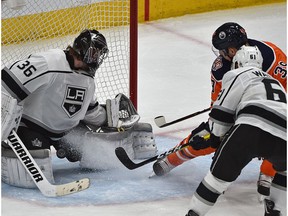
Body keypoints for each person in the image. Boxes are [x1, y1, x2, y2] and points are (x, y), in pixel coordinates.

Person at [152, 22, 287, 199]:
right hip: (244, 112)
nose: (221, 55)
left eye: (223, 50)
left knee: (280, 132)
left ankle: (269, 173)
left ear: (232, 50)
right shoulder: (221, 69)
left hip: (277, 109)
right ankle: (172, 158)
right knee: (208, 137)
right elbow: (218, 108)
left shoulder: (273, 56)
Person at [1, 29, 140, 188]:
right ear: (81, 51)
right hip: (30, 127)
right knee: (34, 170)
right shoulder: (49, 62)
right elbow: (7, 82)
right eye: (95, 53)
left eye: (100, 54)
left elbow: (89, 112)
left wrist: (109, 118)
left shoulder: (88, 80)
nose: (97, 59)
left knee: (99, 158)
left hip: (65, 132)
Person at [185, 45, 286, 216]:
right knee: (284, 172)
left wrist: (213, 138)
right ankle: (276, 212)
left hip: (251, 129)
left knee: (216, 181)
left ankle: (193, 214)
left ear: (238, 62)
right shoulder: (275, 82)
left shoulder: (236, 74)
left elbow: (221, 116)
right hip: (285, 134)